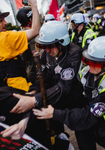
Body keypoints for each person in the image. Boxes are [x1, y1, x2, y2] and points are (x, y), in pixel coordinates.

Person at [5, 20, 83, 150]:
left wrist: (34, 100)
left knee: (82, 132)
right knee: (53, 121)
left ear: (62, 42)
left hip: (75, 101)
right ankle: (60, 137)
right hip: (55, 99)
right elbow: (41, 78)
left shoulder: (74, 54)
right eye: (44, 46)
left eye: (50, 46)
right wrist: (32, 92)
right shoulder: (47, 53)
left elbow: (63, 87)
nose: (47, 50)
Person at [33, 36, 105, 150]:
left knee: (83, 120)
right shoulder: (85, 73)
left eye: (97, 64)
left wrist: (55, 113)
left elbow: (89, 115)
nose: (90, 66)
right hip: (96, 123)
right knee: (81, 127)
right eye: (88, 61)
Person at [0, 0, 41, 140]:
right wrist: (34, 5)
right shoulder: (3, 39)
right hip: (19, 95)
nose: (5, 23)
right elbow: (35, 30)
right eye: (0, 20)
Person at [16, 5, 37, 85]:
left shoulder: (19, 35)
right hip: (36, 76)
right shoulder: (32, 36)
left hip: (27, 76)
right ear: (30, 19)